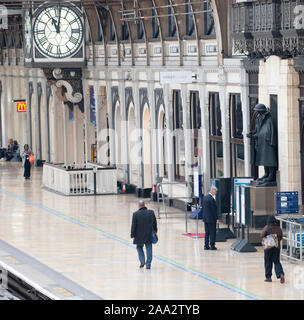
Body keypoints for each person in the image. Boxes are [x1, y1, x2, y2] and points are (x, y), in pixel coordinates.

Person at [247, 104, 278, 187]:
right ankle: (266, 173)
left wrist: (272, 142)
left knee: (269, 159)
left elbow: (269, 131)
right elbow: (258, 130)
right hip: (261, 143)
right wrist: (252, 134)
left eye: (258, 110)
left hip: (267, 143)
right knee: (263, 160)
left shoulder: (268, 119)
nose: (256, 112)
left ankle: (271, 175)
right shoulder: (259, 118)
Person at [131, 200, 158, 269]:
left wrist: (132, 235)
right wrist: (155, 231)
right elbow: (155, 223)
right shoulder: (151, 212)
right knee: (149, 248)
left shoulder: (135, 214)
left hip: (138, 235)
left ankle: (142, 261)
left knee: (139, 247)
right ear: (144, 205)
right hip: (148, 234)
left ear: (139, 206)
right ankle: (148, 264)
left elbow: (133, 226)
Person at [261, 216, 285, 283]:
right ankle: (280, 274)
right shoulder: (278, 228)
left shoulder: (267, 227)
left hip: (268, 248)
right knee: (277, 262)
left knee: (268, 262)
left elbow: (262, 235)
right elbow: (280, 237)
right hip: (276, 248)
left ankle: (268, 277)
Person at [202, 186, 219, 250]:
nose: (216, 193)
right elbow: (213, 210)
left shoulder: (205, 197)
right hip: (211, 219)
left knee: (207, 232)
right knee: (212, 232)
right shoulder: (211, 199)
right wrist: (216, 218)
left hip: (205, 218)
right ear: (213, 191)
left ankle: (206, 245)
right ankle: (212, 245)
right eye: (216, 191)